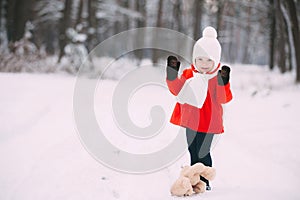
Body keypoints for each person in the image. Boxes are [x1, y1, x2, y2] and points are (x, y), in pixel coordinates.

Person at [166, 26, 233, 191]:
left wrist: (224, 82)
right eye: (200, 59)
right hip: (191, 121)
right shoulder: (189, 74)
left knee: (203, 152)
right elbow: (177, 90)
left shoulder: (216, 77)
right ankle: (195, 179)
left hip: (209, 122)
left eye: (209, 60)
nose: (204, 64)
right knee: (192, 150)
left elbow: (224, 98)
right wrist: (172, 74)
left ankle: (205, 179)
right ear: (194, 59)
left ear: (216, 61)